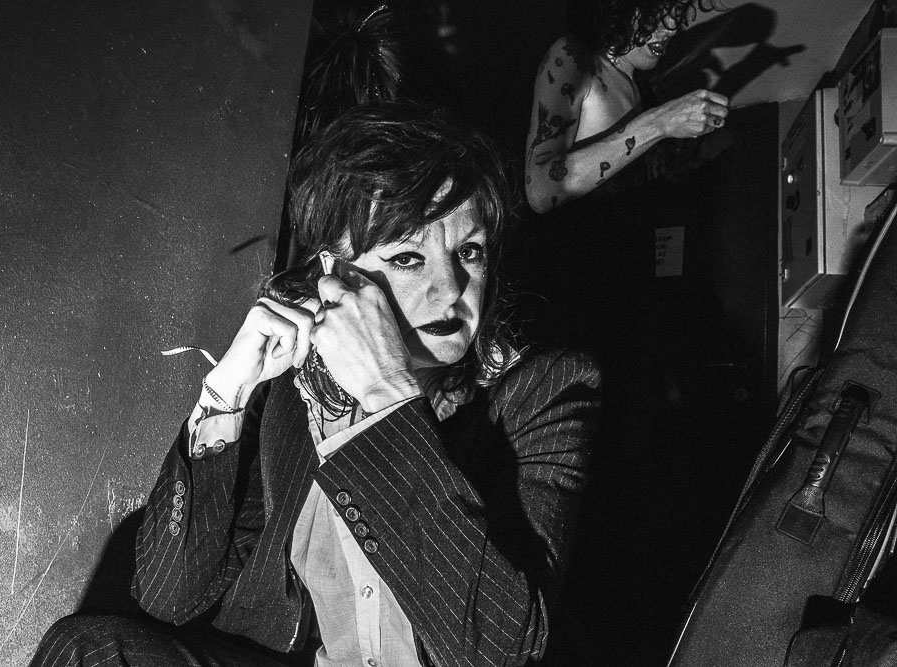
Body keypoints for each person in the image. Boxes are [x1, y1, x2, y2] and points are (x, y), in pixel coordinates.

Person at [30, 102, 601, 667]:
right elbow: (170, 596)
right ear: (337, 274)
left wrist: (387, 398)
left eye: (468, 252)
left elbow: (503, 647)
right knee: (90, 652)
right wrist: (223, 399)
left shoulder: (543, 393)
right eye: (408, 258)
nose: (450, 288)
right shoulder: (296, 399)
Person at [524, 0, 729, 212]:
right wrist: (659, 123)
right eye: (653, 15)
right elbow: (539, 193)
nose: (671, 27)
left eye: (676, 10)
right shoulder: (573, 58)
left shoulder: (643, 82)